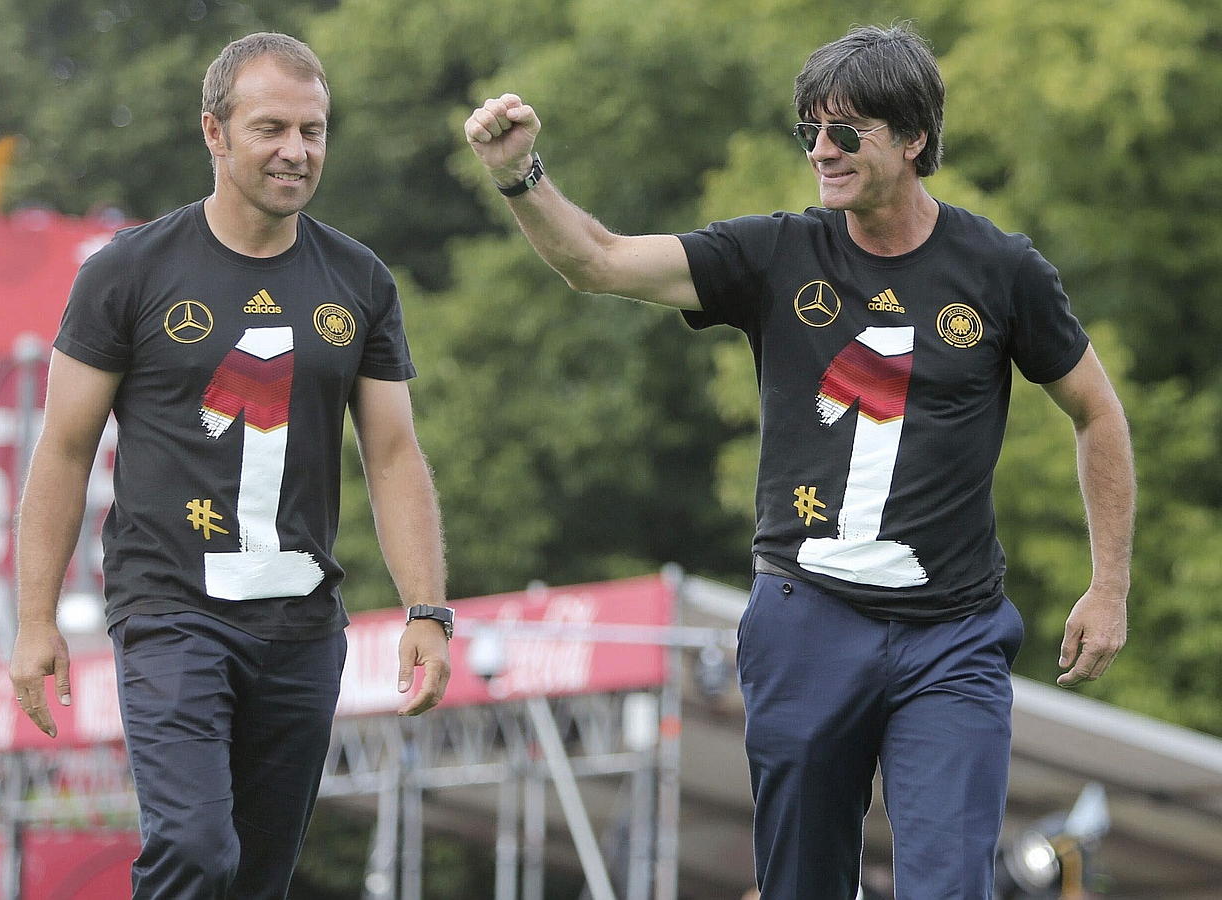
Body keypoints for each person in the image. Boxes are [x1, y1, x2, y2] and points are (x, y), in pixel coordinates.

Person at [464, 23, 1134, 900]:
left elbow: (1097, 411)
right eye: (809, 131)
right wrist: (520, 175)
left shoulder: (1002, 270)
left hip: (954, 634)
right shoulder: (774, 253)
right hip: (807, 619)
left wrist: (1109, 585)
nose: (821, 150)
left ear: (913, 137)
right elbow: (598, 262)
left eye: (845, 131)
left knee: (950, 885)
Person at [9, 32, 452, 899]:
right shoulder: (129, 272)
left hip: (302, 623)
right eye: (271, 128)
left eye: (313, 131)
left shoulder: (359, 279)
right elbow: (63, 448)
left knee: (254, 877)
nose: (297, 150)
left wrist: (426, 608)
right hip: (170, 608)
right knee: (195, 848)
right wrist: (35, 621)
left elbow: (394, 453)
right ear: (214, 132)